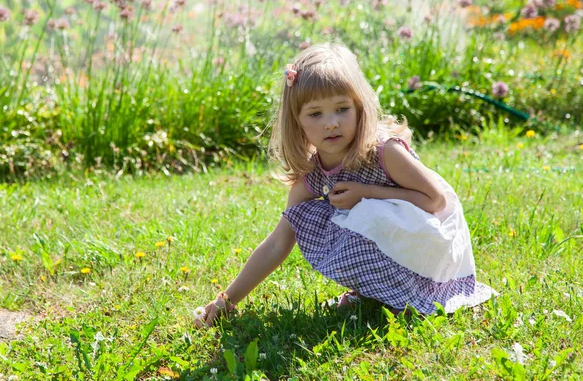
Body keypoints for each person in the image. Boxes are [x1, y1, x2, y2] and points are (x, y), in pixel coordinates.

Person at [194, 43, 495, 328]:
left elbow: (436, 201)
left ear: (359, 108)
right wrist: (227, 299)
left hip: (432, 233)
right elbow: (278, 242)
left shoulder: (384, 152)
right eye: (316, 113)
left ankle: (412, 293)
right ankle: (377, 292)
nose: (331, 123)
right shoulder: (312, 174)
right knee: (319, 218)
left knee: (365, 214)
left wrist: (367, 193)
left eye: (342, 109)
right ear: (297, 121)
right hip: (399, 233)